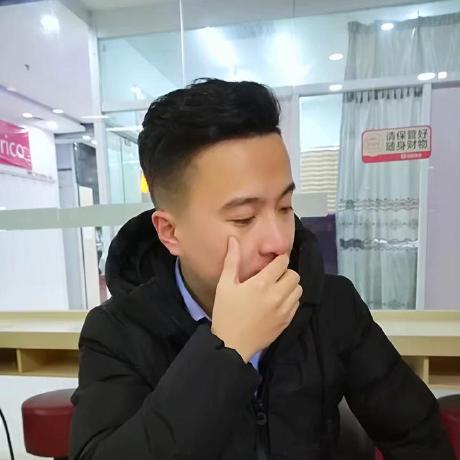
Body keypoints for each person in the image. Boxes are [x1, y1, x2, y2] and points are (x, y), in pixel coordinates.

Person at [69, 79, 454, 460]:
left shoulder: (331, 304)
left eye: (285, 207)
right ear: (170, 232)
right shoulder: (118, 331)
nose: (278, 240)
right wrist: (227, 349)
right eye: (244, 217)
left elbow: (415, 433)